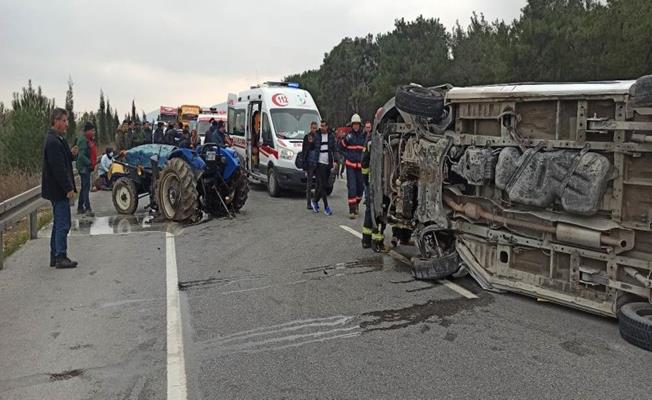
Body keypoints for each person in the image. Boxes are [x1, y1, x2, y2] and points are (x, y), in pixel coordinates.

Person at [42, 108, 79, 269]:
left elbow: (65, 159)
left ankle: (54, 255)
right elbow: (58, 168)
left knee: (58, 223)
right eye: (64, 120)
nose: (66, 124)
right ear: (56, 121)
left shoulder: (59, 139)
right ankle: (60, 257)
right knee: (63, 223)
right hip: (58, 190)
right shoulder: (52, 141)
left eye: (66, 121)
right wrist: (68, 188)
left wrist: (72, 154)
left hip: (57, 189)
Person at [361, 120, 385, 251]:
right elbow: (364, 161)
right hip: (379, 181)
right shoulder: (381, 139)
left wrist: (365, 179)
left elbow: (364, 161)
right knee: (378, 209)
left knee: (371, 209)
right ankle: (376, 241)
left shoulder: (371, 139)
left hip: (373, 180)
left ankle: (367, 240)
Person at [341, 113, 366, 219]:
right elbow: (340, 147)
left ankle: (356, 204)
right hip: (350, 165)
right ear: (352, 125)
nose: (356, 126)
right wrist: (347, 156)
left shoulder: (364, 137)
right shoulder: (348, 136)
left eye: (357, 124)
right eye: (354, 124)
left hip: (360, 166)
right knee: (352, 187)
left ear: (360, 125)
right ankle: (352, 210)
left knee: (360, 188)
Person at [309, 120, 336, 215]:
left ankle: (315, 201)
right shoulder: (317, 135)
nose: (322, 127)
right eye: (321, 126)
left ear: (327, 126)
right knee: (322, 185)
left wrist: (335, 161)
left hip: (327, 163)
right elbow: (311, 147)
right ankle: (326, 207)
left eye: (324, 126)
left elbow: (334, 149)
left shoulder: (331, 136)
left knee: (324, 185)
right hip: (319, 163)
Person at [76, 122, 97, 216]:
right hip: (84, 168)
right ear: (87, 131)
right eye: (92, 130)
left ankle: (80, 207)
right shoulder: (83, 140)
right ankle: (87, 208)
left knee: (84, 187)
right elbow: (81, 156)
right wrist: (89, 163)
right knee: (86, 187)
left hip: (87, 167)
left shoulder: (89, 139)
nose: (94, 132)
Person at [301, 122, 319, 210]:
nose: (314, 130)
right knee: (309, 184)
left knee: (318, 184)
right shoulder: (307, 137)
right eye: (313, 128)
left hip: (317, 162)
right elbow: (305, 150)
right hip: (309, 163)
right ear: (310, 128)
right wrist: (304, 163)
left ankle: (315, 201)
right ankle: (308, 203)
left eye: (316, 128)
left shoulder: (318, 137)